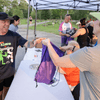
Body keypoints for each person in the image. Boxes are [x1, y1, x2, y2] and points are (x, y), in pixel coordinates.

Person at [42, 13, 100, 100]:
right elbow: (87, 56)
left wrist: (48, 44)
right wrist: (72, 47)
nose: (94, 22)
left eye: (97, 19)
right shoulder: (92, 52)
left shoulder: (90, 53)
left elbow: (57, 61)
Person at [0, 12, 44, 100]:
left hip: (9, 72)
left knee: (7, 91)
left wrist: (34, 42)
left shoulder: (14, 35)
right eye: (4, 21)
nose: (7, 24)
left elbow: (27, 44)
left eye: (8, 22)